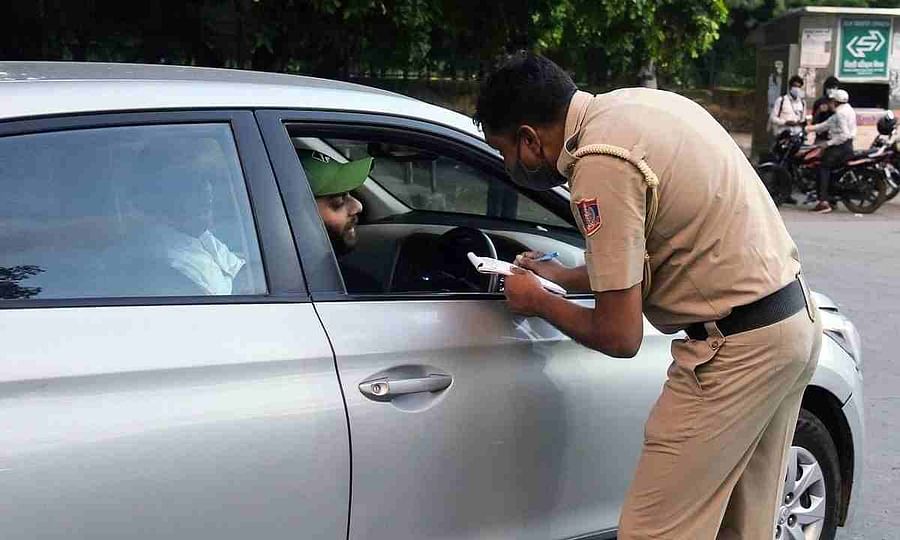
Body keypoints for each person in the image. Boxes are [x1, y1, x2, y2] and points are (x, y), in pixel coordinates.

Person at [475, 52, 821, 539]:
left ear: (529, 139)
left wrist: (538, 301)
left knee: (652, 531)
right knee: (740, 528)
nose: (510, 166)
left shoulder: (599, 164)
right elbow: (660, 250)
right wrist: (563, 277)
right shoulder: (636, 108)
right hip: (791, 324)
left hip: (736, 352)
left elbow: (620, 335)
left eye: (505, 152)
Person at [123, 139, 246, 296]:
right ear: (161, 193)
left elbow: (242, 272)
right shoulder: (168, 266)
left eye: (206, 177)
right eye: (191, 180)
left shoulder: (198, 235)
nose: (207, 188)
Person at [297, 149, 381, 292]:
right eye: (338, 200)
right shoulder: (353, 289)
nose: (358, 206)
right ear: (296, 215)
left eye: (349, 194)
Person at [806, 88, 856, 214]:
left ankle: (823, 202)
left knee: (822, 167)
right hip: (846, 146)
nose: (830, 103)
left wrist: (827, 143)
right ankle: (831, 197)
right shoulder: (848, 110)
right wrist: (808, 128)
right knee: (830, 169)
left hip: (841, 147)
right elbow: (826, 124)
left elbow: (844, 135)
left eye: (832, 101)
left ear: (836, 102)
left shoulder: (840, 114)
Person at [812, 76, 840, 144]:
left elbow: (844, 118)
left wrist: (834, 110)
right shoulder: (819, 102)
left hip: (836, 138)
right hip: (821, 138)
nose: (831, 90)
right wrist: (819, 111)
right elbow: (813, 121)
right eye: (829, 87)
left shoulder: (840, 102)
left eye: (834, 88)